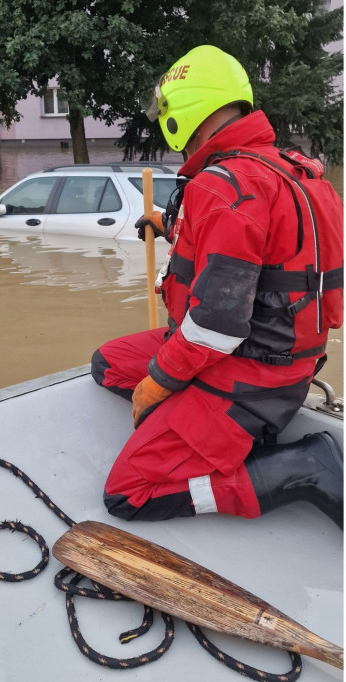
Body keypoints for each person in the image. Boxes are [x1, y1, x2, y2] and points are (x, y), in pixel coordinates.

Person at [90, 45, 344, 528]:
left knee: (129, 493)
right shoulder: (288, 172)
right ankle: (194, 426)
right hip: (274, 359)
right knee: (108, 364)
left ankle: (301, 468)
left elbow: (218, 324)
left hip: (246, 375)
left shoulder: (223, 185)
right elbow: (265, 262)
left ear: (184, 115)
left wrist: (160, 383)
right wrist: (168, 228)